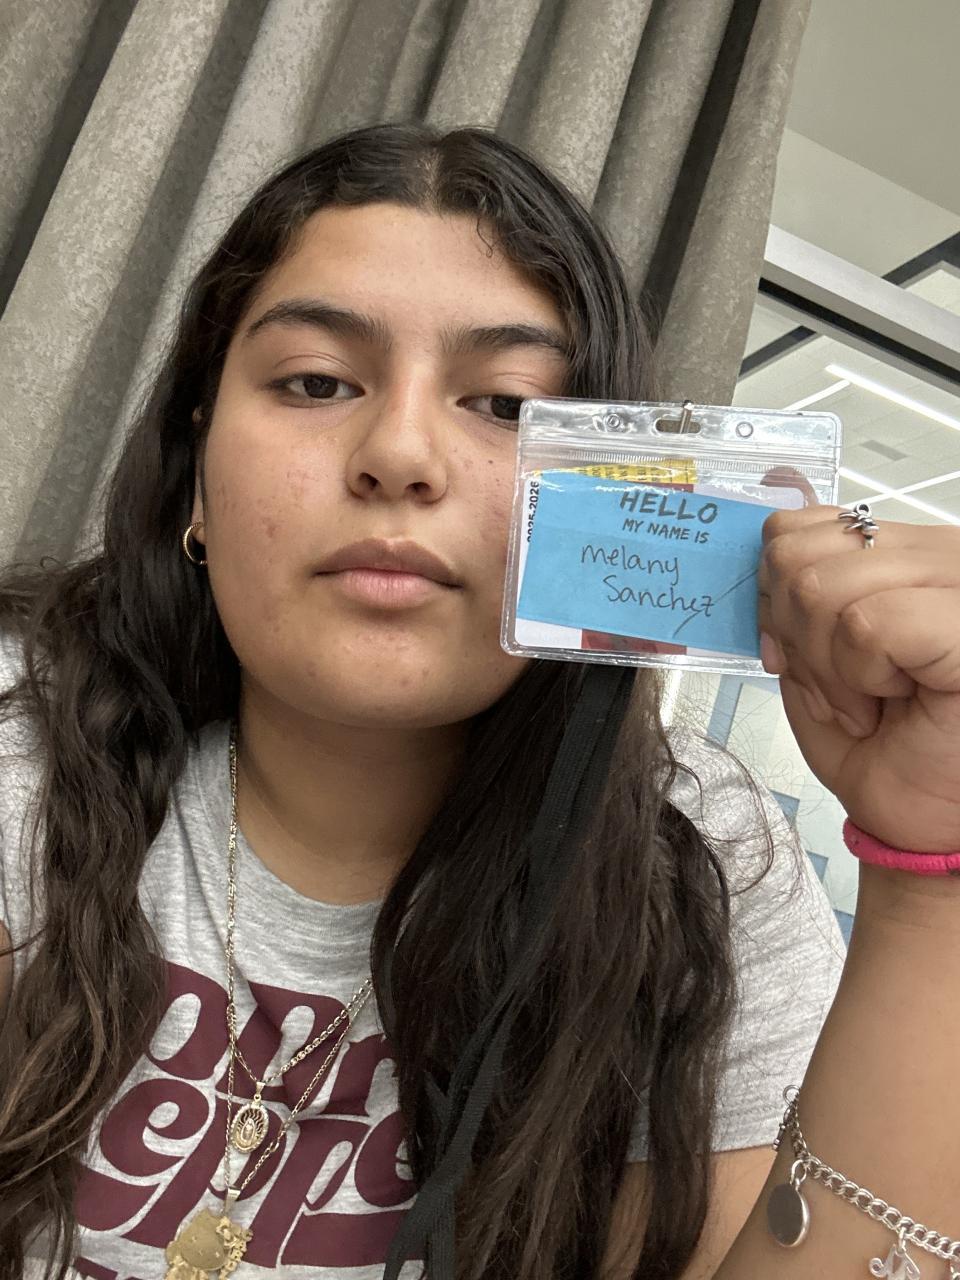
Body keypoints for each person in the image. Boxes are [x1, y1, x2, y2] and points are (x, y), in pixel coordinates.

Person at [0, 123, 956, 1280]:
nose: (401, 453)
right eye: (316, 381)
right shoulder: (21, 742)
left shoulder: (702, 864)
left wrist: (927, 878)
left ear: (609, 492)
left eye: (506, 404)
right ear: (196, 470)